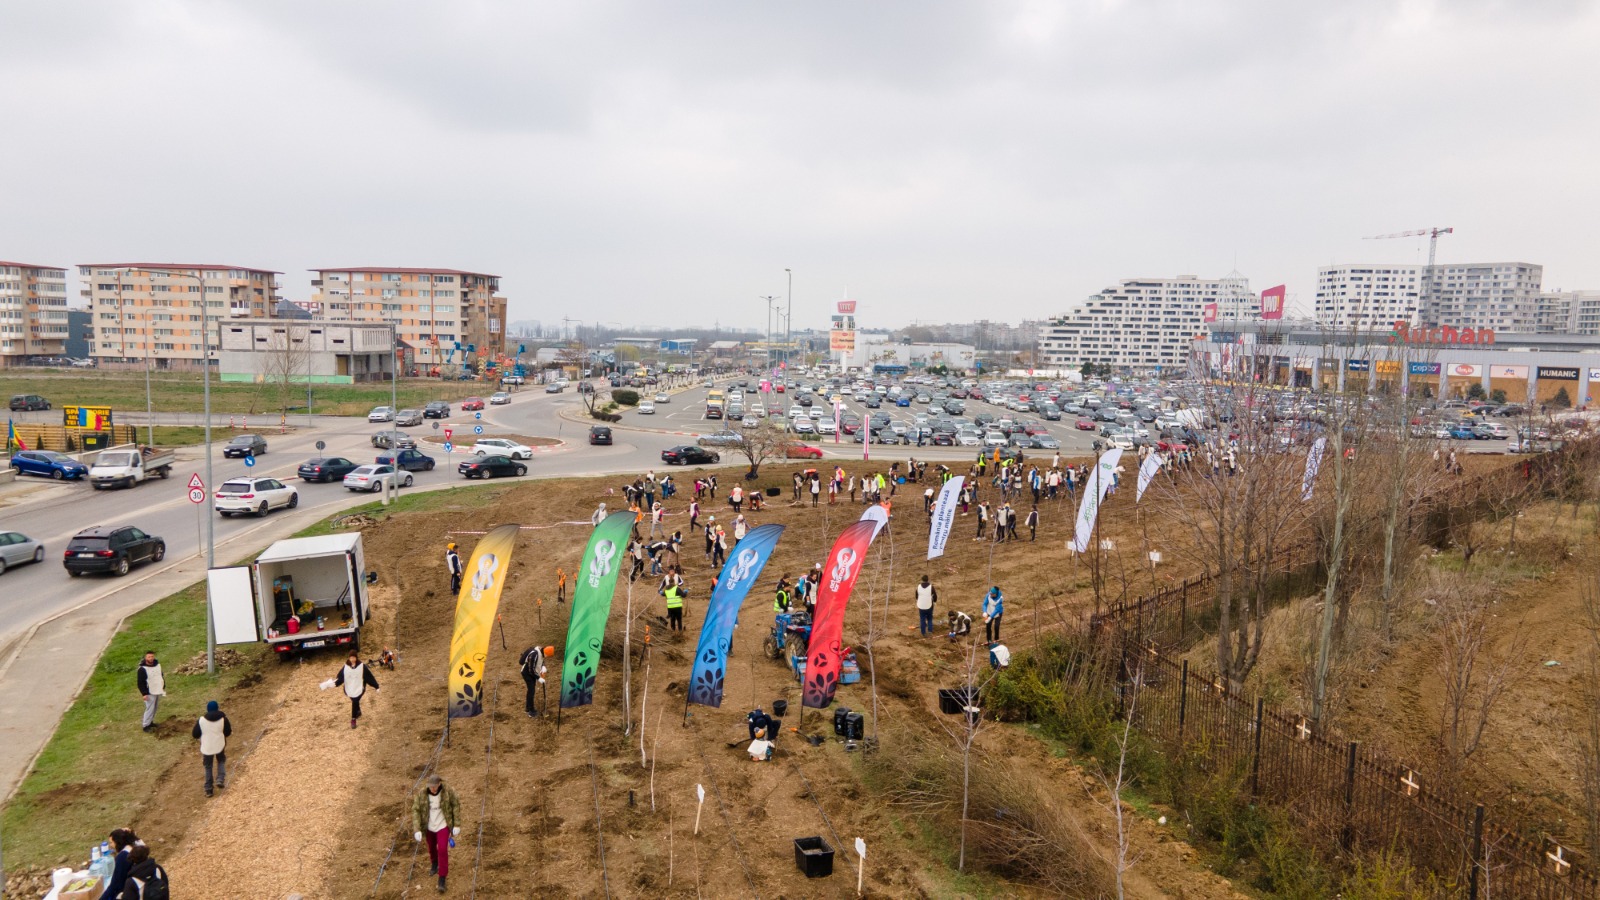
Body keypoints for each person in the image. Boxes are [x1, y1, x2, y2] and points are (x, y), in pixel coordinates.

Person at [412, 774, 461, 893]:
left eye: (434, 786)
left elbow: (456, 805)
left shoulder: (448, 791)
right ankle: (434, 863)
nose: (432, 789)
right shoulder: (422, 794)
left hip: (443, 825)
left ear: (439, 784)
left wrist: (456, 824)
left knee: (442, 849)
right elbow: (416, 810)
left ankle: (442, 878)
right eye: (430, 786)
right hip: (429, 825)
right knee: (431, 847)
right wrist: (417, 829)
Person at [191, 700, 232, 797]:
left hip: (207, 746)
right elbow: (228, 732)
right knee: (221, 761)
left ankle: (209, 789)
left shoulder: (201, 720)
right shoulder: (223, 719)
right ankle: (220, 779)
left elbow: (195, 734)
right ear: (217, 708)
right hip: (219, 744)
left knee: (208, 766)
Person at [333, 651, 380, 729]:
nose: (352, 659)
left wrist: (376, 686)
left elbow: (369, 677)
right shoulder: (346, 667)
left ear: (356, 658)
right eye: (351, 658)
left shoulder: (361, 667)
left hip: (360, 688)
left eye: (353, 657)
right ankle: (357, 711)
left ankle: (353, 719)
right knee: (355, 700)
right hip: (350, 688)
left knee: (355, 700)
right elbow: (341, 677)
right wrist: (334, 683)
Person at [98, 827, 139, 900]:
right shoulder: (134, 848)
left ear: (117, 842)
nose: (110, 845)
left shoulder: (122, 857)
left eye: (111, 842)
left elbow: (115, 884)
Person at [137, 651, 164, 732]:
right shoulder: (142, 669)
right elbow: (140, 682)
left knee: (154, 707)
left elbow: (160, 676)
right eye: (149, 657)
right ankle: (145, 725)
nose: (151, 658)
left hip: (157, 689)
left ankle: (150, 722)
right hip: (149, 692)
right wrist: (144, 693)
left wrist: (163, 686)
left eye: (152, 656)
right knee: (150, 708)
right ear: (145, 658)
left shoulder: (157, 666)